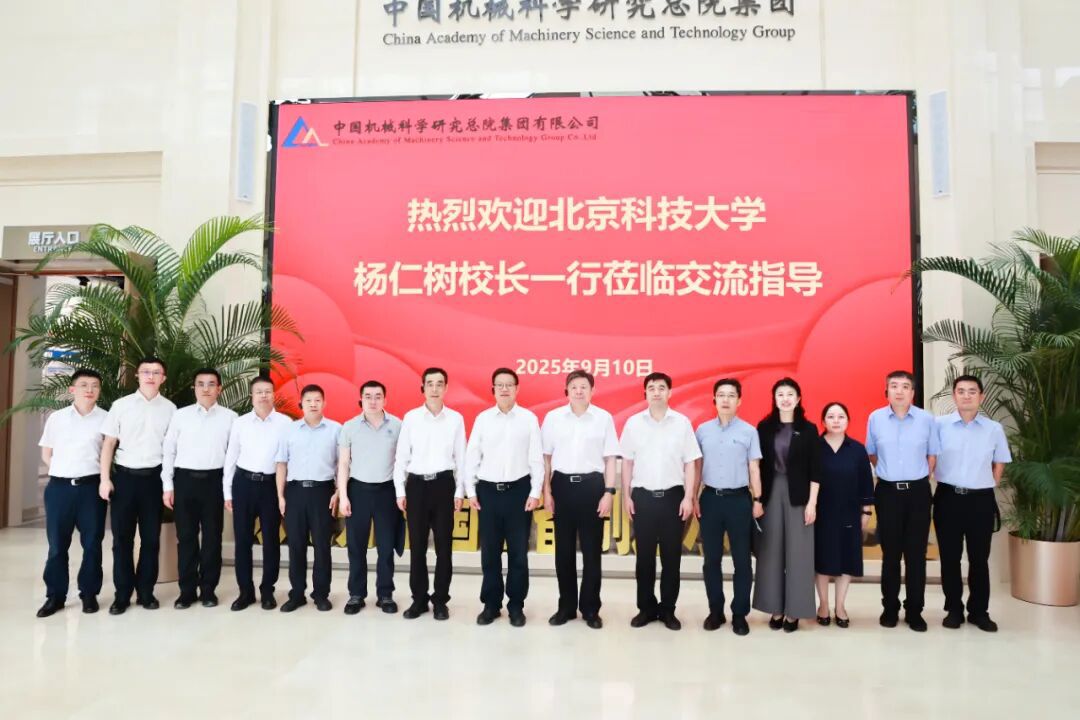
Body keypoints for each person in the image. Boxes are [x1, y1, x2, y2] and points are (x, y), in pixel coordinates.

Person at [620, 372, 700, 631]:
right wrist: (627, 496)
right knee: (644, 559)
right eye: (652, 388)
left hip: (673, 498)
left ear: (669, 392)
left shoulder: (682, 423)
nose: (656, 392)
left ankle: (668, 610)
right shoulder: (634, 423)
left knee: (671, 558)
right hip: (642, 497)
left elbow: (690, 463)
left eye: (661, 388)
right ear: (645, 393)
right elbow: (627, 463)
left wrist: (688, 497)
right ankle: (645, 608)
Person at [464, 367, 543, 627]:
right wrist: (470, 490)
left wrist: (535, 491)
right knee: (490, 552)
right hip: (488, 492)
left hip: (519, 492)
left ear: (517, 389)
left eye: (510, 384)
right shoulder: (483, 419)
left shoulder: (528, 419)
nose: (505, 389)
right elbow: (472, 456)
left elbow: (536, 458)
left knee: (518, 553)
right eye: (500, 385)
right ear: (493, 390)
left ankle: (516, 605)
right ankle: (491, 604)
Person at [542, 370, 620, 630]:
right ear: (567, 390)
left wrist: (608, 492)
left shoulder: (603, 418)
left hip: (592, 487)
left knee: (592, 552)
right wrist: (547, 492)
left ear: (592, 390)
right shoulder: (553, 418)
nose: (578, 391)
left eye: (584, 386)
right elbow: (546, 459)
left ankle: (590, 609)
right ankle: (566, 607)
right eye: (574, 386)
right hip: (562, 487)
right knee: (563, 552)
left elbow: (610, 458)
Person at [933, 375, 1011, 632]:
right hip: (948, 498)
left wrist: (988, 483)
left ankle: (979, 612)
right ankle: (953, 609)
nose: (966, 395)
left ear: (981, 396)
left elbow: (1000, 461)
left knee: (979, 558)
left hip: (980, 500)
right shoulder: (939, 425)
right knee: (950, 558)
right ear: (954, 395)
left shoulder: (993, 429)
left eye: (972, 391)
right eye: (961, 391)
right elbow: (929, 456)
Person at [99, 356, 177, 615]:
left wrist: (169, 484)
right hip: (124, 479)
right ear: (137, 375)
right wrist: (105, 479)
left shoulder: (171, 409)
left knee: (151, 539)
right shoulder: (120, 406)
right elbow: (109, 444)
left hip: (154, 480)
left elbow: (171, 450)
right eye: (145, 371)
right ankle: (122, 595)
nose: (150, 376)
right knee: (122, 539)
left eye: (156, 372)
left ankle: (146, 592)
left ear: (163, 378)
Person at [866, 370, 940, 632]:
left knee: (916, 554)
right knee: (891, 554)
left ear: (913, 393)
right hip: (888, 492)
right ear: (886, 391)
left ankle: (915, 610)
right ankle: (890, 608)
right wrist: (890, 474)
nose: (899, 391)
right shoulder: (875, 418)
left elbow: (932, 456)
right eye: (894, 386)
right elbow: (872, 454)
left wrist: (915, 477)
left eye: (905, 386)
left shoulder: (926, 419)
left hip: (918, 493)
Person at [393, 367, 466, 621]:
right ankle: (419, 600)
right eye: (430, 384)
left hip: (444, 485)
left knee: (444, 548)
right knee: (418, 548)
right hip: (416, 487)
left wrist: (460, 491)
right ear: (422, 388)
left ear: (446, 388)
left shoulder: (455, 419)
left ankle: (441, 600)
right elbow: (401, 457)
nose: (434, 388)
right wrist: (400, 490)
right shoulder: (411, 418)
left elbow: (461, 458)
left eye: (439, 384)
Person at [36, 369, 109, 617]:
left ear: (99, 390)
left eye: (95, 385)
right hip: (59, 489)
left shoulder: (106, 419)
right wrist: (64, 471)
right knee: (57, 546)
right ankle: (55, 597)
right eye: (84, 385)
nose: (89, 390)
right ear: (72, 389)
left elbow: (108, 454)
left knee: (92, 544)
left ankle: (89, 595)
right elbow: (47, 453)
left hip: (91, 489)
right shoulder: (57, 418)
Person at [162, 368, 237, 609]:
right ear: (194, 388)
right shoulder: (180, 416)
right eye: (201, 384)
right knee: (186, 538)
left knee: (213, 538)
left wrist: (228, 491)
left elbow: (233, 457)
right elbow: (169, 451)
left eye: (211, 384)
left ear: (219, 389)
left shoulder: (231, 418)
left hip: (214, 482)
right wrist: (168, 485)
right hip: (185, 481)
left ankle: (208, 590)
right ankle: (186, 591)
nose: (206, 388)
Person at [694, 377, 763, 636]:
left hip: (739, 501)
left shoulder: (749, 431)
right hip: (710, 499)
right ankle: (715, 611)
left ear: (739, 401)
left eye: (731, 395)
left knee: (742, 560)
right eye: (721, 395)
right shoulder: (702, 430)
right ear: (714, 399)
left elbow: (754, 468)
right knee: (711, 559)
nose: (725, 399)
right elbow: (697, 467)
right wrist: (693, 497)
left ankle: (739, 614)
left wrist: (758, 499)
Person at [752, 377, 820, 632]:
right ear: (774, 398)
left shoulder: (809, 429)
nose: (785, 398)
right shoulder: (764, 427)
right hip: (771, 493)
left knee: (799, 554)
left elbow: (815, 469)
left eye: (790, 394)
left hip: (799, 496)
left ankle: (795, 611)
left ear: (798, 398)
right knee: (771, 552)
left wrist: (812, 503)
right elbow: (756, 466)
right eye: (780, 394)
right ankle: (776, 608)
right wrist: (757, 498)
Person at [223, 375, 293, 611]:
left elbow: (288, 459)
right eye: (259, 391)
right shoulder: (240, 423)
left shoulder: (285, 423)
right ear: (251, 396)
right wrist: (227, 492)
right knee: (242, 540)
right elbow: (231, 457)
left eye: (268, 391)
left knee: (271, 540)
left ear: (274, 394)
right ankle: (245, 591)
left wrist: (285, 493)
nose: (263, 395)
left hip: (271, 486)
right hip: (243, 484)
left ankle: (267, 590)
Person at [337, 380, 403, 615]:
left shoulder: (397, 425)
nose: (373, 401)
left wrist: (402, 493)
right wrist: (343, 496)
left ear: (385, 399)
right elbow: (343, 464)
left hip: (387, 492)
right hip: (358, 491)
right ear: (361, 399)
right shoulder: (350, 427)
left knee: (386, 547)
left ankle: (385, 594)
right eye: (368, 396)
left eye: (377, 396)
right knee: (356, 547)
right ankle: (356, 594)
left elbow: (403, 462)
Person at [275, 384, 341, 612]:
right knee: (296, 545)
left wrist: (338, 492)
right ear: (301, 404)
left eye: (317, 400)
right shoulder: (289, 430)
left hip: (323, 492)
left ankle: (321, 594)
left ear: (324, 403)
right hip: (295, 492)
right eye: (308, 400)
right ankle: (296, 594)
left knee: (322, 545)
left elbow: (342, 464)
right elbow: (281, 464)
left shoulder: (336, 429)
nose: (313, 404)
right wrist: (280, 496)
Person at [814, 402, 874, 628]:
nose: (836, 420)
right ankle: (823, 605)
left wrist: (866, 510)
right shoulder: (815, 447)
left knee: (846, 559)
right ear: (823, 421)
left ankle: (840, 606)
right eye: (831, 416)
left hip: (849, 511)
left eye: (841, 416)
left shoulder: (857, 449)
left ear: (848, 421)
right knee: (822, 559)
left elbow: (866, 482)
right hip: (820, 513)